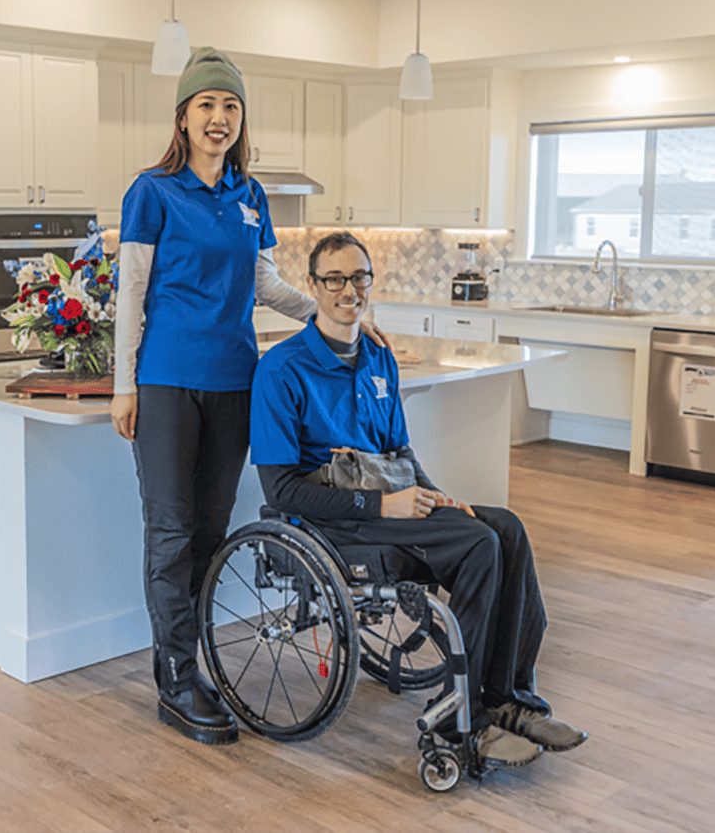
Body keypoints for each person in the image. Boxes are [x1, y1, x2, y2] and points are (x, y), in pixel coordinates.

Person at [110, 48, 385, 745]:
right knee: (170, 533)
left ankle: (190, 658)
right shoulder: (151, 191)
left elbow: (266, 285)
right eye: (206, 105)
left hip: (237, 382)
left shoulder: (250, 196)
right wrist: (124, 386)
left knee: (209, 530)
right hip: (168, 383)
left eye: (230, 106)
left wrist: (336, 313)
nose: (219, 118)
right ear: (183, 115)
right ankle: (176, 679)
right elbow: (132, 296)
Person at [248, 231, 587, 768]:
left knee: (505, 528)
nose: (348, 290)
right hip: (330, 522)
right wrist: (384, 507)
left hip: (389, 504)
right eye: (334, 279)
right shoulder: (281, 369)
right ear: (313, 286)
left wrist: (434, 496)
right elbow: (282, 491)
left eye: (359, 277)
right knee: (478, 545)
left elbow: (397, 450)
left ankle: (509, 700)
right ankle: (462, 720)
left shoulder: (379, 358)